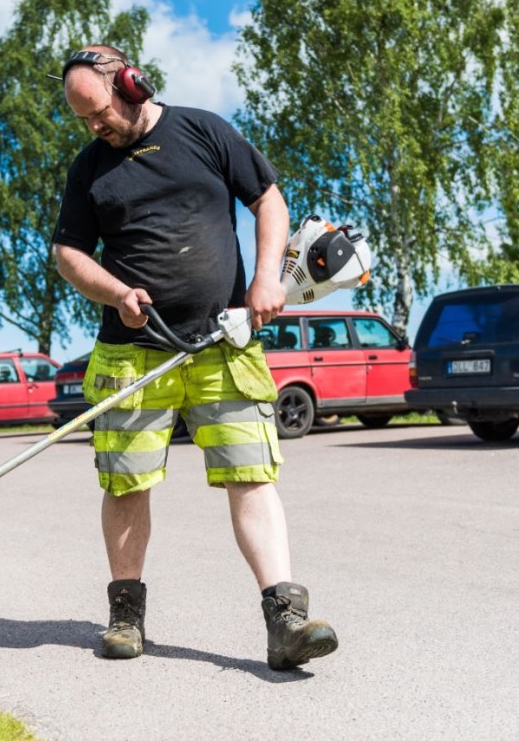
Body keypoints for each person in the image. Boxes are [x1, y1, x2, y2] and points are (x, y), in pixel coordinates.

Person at [51, 44, 338, 670]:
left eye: (98, 111)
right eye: (83, 120)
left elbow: (267, 199)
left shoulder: (204, 131)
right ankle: (126, 617)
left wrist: (267, 278)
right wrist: (117, 293)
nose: (94, 126)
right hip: (132, 354)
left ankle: (285, 621)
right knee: (126, 484)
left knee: (251, 475)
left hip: (223, 344)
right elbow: (69, 253)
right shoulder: (89, 169)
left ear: (131, 84)